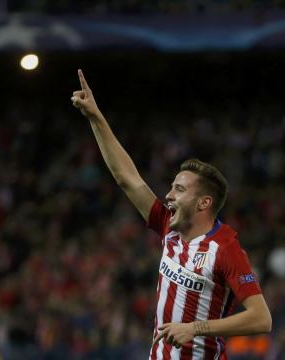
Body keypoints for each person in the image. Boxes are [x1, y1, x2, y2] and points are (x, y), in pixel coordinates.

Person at [71, 69, 272, 360]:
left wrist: (195, 328)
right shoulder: (169, 226)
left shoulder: (225, 248)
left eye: (179, 189)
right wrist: (95, 117)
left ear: (203, 202)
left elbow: (262, 319)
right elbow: (127, 178)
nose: (168, 195)